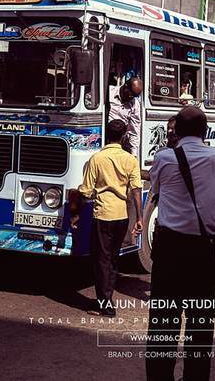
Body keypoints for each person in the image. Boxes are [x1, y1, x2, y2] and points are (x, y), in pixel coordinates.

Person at [146, 106, 215, 381]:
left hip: (170, 251)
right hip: (203, 252)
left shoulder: (164, 158)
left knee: (163, 326)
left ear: (176, 132)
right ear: (205, 132)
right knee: (200, 327)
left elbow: (155, 192)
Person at [77, 119, 143, 317]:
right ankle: (107, 297)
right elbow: (137, 190)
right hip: (122, 215)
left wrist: (75, 212)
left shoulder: (97, 159)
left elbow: (86, 191)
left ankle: (105, 304)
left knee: (101, 260)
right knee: (113, 259)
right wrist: (139, 218)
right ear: (123, 137)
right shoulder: (130, 160)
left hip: (103, 215)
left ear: (107, 135)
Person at [109, 76, 143, 155]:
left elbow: (134, 130)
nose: (131, 98)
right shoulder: (109, 92)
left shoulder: (135, 104)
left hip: (119, 141)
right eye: (131, 94)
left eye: (134, 96)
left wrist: (134, 154)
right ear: (125, 86)